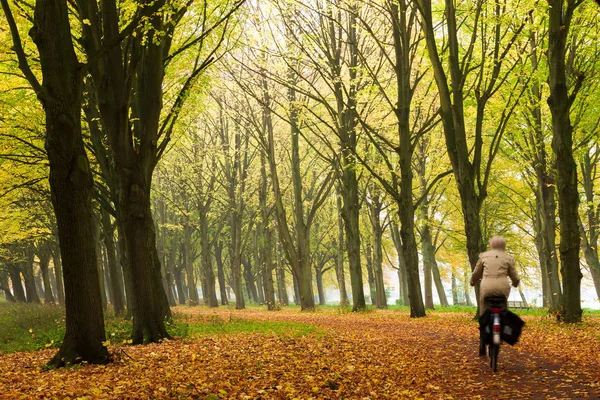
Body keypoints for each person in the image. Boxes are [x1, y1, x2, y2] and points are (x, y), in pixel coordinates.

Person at [470, 235, 520, 355]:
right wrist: (515, 283)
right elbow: (514, 276)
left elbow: (476, 273)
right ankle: (501, 330)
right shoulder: (508, 258)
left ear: (491, 245)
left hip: (487, 287)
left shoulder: (483, 256)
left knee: (483, 313)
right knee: (503, 311)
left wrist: (473, 282)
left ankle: (482, 341)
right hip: (502, 288)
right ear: (504, 245)